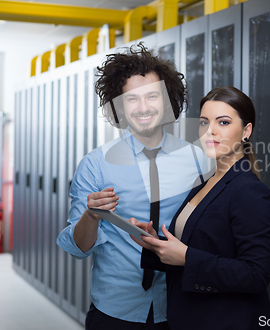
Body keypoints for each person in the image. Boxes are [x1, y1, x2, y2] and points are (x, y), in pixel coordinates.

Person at [56, 43, 206, 330]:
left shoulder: (196, 160)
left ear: (167, 99)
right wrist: (92, 216)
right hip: (115, 309)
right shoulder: (96, 164)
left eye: (152, 96)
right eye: (131, 99)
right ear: (119, 106)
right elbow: (77, 248)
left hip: (180, 306)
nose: (144, 107)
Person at [130, 86, 270, 330]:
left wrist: (187, 257)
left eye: (224, 122)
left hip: (225, 320)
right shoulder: (204, 182)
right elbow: (198, 248)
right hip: (190, 316)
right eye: (204, 122)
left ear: (246, 131)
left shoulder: (249, 191)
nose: (210, 131)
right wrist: (157, 245)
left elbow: (256, 274)